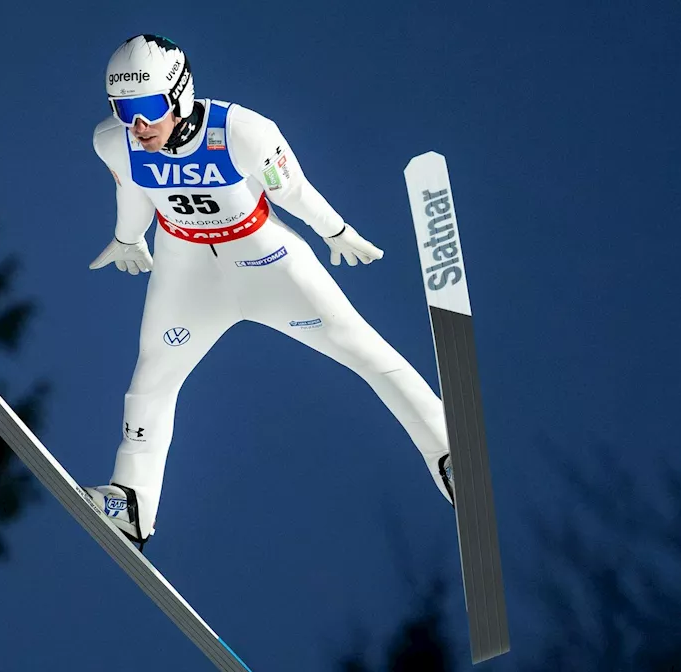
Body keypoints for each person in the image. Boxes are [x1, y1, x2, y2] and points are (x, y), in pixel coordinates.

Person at [82, 34, 454, 551]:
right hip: (186, 273)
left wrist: (336, 231)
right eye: (124, 110)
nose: (136, 125)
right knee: (150, 382)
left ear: (179, 93)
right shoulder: (113, 141)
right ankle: (132, 504)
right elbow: (133, 190)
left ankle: (447, 452)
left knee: (364, 351)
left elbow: (293, 190)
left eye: (145, 108)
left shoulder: (243, 131)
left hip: (266, 263)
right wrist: (126, 238)